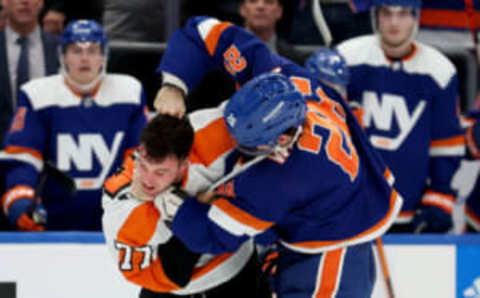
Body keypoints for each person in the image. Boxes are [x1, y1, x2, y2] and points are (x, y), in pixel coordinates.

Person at [154, 16, 403, 297]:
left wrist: (177, 207)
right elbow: (200, 31)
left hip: (329, 260)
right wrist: (173, 84)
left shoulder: (282, 177)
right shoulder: (276, 73)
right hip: (331, 215)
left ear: (282, 139)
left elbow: (212, 234)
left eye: (248, 145)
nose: (232, 145)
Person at [0, 19, 148, 231]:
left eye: (93, 50)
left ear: (104, 55)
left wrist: (133, 206)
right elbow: (22, 158)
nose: (85, 58)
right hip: (52, 226)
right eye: (76, 50)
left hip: (115, 224)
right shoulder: (37, 95)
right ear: (63, 56)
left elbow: (141, 158)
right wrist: (21, 199)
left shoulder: (129, 92)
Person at [102, 114, 270, 297]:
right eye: (142, 166)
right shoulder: (120, 201)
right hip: (169, 289)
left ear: (184, 165)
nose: (147, 180)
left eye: (160, 172)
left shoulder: (212, 143)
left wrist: (176, 86)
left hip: (237, 277)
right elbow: (170, 274)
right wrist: (189, 211)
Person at [336, 0, 465, 233]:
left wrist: (439, 196)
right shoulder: (347, 57)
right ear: (376, 15)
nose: (394, 22)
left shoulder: (440, 71)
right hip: (350, 208)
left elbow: (446, 145)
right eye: (387, 13)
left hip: (408, 210)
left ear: (415, 17)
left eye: (403, 14)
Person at [0, 0, 60, 144]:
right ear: (3, 2)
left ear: (41, 2)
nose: (24, 1)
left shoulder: (61, 49)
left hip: (50, 149)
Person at [239, 0, 309, 65]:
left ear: (279, 11)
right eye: (253, 1)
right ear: (243, 9)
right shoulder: (228, 52)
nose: (260, 6)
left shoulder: (296, 60)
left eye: (269, 2)